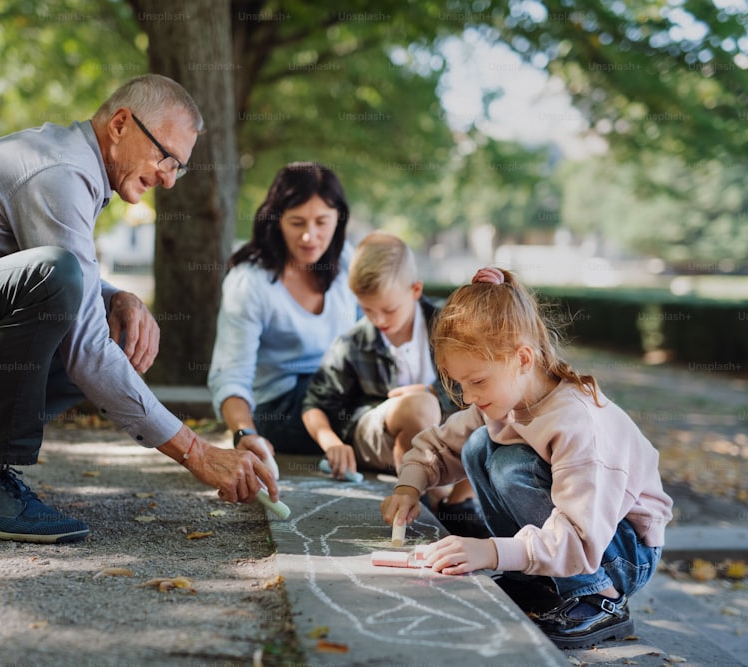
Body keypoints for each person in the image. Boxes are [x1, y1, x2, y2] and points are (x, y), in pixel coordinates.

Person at [0, 74, 277, 545]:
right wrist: (196, 452)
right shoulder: (58, 172)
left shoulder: (70, 165)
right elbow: (79, 333)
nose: (167, 177)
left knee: (109, 317)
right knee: (58, 282)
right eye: (165, 156)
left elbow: (68, 286)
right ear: (121, 124)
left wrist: (117, 296)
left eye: (178, 167)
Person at [380, 267, 673, 650]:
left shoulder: (576, 424)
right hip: (580, 539)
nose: (468, 397)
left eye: (478, 381)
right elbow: (443, 445)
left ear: (522, 358)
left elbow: (579, 537)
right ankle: (537, 581)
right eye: (459, 383)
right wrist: (409, 486)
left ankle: (596, 598)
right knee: (478, 446)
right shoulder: (506, 399)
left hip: (619, 552)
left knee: (509, 465)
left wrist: (491, 551)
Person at [301, 232, 484, 535]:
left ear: (415, 290)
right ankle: (430, 499)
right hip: (382, 436)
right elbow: (314, 404)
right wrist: (332, 442)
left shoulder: (450, 325)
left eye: (388, 309)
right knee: (418, 407)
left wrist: (432, 392)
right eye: (368, 310)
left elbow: (483, 378)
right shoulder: (355, 342)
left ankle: (460, 504)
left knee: (492, 406)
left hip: (446, 430)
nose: (379, 319)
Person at [207, 162, 359, 468]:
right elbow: (230, 375)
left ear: (338, 219)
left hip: (341, 386)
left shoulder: (346, 261)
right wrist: (244, 432)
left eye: (322, 222)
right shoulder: (251, 282)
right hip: (280, 404)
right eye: (297, 222)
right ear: (276, 220)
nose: (310, 236)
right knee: (382, 418)